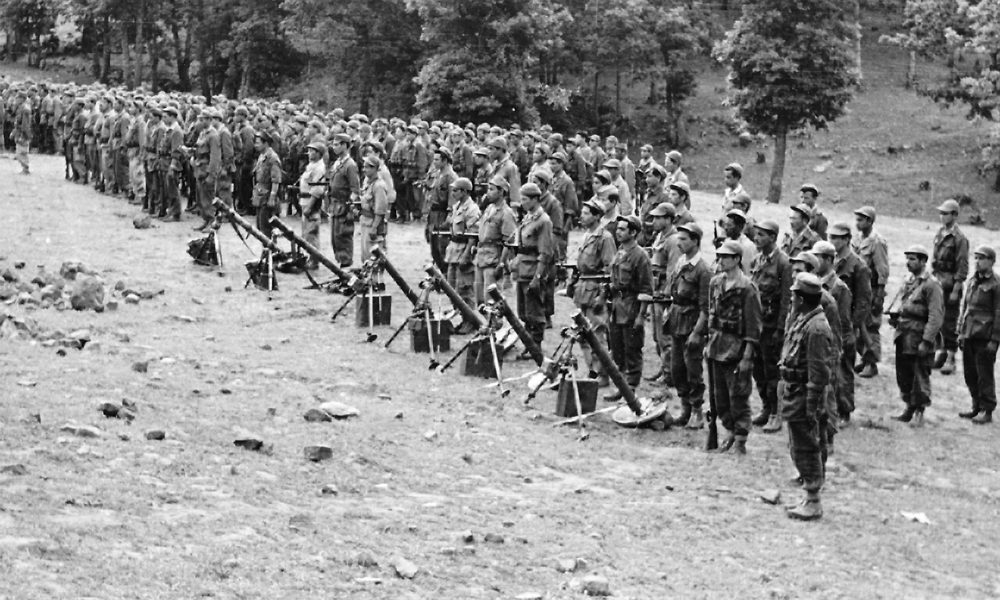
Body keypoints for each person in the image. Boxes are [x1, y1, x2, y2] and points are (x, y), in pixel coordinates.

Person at [779, 272, 835, 521]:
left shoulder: (816, 328)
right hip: (795, 392)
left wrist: (811, 407)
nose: (791, 299)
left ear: (801, 299)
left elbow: (818, 372)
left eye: (794, 295)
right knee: (799, 445)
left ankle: (813, 499)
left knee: (808, 446)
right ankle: (809, 495)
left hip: (804, 396)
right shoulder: (805, 319)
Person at [705, 240, 762, 453]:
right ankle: (728, 429)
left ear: (737, 259)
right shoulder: (716, 283)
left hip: (736, 348)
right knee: (719, 397)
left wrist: (748, 355)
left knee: (738, 395)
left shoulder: (747, 288)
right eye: (719, 256)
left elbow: (753, 324)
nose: (721, 260)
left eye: (726, 257)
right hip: (716, 346)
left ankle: (740, 438)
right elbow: (712, 313)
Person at [887, 245, 944, 427]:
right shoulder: (909, 281)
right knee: (904, 374)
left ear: (923, 261)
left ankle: (920, 411)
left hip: (919, 336)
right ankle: (909, 407)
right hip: (904, 335)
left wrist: (926, 341)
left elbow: (936, 316)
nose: (908, 263)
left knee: (919, 375)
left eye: (912, 259)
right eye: (907, 258)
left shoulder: (931, 284)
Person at [604, 215, 654, 401]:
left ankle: (630, 387)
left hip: (632, 308)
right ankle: (622, 385)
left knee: (632, 348)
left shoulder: (640, 256)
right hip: (617, 306)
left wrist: (641, 316)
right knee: (617, 348)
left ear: (633, 232)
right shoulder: (620, 252)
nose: (618, 232)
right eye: (618, 228)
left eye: (623, 229)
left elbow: (646, 288)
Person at [667, 222, 712, 428]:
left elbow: (706, 307)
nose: (680, 242)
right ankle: (685, 407)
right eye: (679, 238)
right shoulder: (681, 262)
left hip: (693, 322)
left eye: (684, 239)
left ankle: (697, 411)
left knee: (693, 368)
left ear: (695, 241)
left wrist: (697, 332)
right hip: (677, 320)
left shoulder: (703, 269)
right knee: (676, 368)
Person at [749, 220, 792, 433]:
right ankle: (766, 407)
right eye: (756, 234)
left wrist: (780, 329)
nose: (756, 238)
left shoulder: (783, 263)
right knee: (758, 369)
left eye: (761, 235)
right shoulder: (758, 260)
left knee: (772, 371)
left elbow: (786, 299)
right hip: (756, 325)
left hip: (772, 326)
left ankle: (776, 413)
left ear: (773, 238)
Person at [503, 183, 554, 354]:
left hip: (533, 271)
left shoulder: (543, 221)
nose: (522, 202)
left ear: (535, 199)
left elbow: (545, 252)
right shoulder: (528, 217)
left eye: (525, 199)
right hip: (522, 269)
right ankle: (528, 343)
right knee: (524, 312)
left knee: (535, 312)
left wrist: (538, 277)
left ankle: (535, 346)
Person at [570, 199, 617, 387]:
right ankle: (592, 371)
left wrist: (603, 295)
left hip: (595, 289)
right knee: (581, 334)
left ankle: (603, 374)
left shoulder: (604, 238)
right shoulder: (587, 235)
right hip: (583, 287)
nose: (582, 216)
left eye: (587, 213)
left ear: (598, 216)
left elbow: (609, 270)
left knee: (597, 335)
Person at [828, 222, 871, 423]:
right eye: (831, 237)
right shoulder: (830, 261)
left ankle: (844, 411)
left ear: (847, 239)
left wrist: (854, 325)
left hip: (846, 325)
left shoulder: (858, 265)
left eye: (837, 238)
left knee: (844, 370)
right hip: (829, 321)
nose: (833, 241)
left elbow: (863, 301)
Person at [957, 245, 1000, 424]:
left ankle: (987, 409)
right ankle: (976, 405)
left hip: (985, 336)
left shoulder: (996, 284)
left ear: (991, 261)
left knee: (984, 374)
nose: (977, 261)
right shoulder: (973, 280)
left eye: (982, 258)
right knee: (970, 373)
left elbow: (999, 313)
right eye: (975, 258)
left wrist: (995, 339)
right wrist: (960, 331)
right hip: (969, 333)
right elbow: (965, 307)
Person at [930, 198, 969, 374]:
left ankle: (951, 359)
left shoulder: (960, 238)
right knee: (936, 319)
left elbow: (962, 266)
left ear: (954, 215)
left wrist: (956, 289)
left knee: (949, 322)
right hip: (938, 281)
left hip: (951, 284)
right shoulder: (940, 233)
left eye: (945, 213)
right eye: (941, 213)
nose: (942, 216)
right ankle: (942, 353)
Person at [645, 202, 680, 388]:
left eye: (659, 217)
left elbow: (673, 271)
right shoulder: (660, 236)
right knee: (657, 336)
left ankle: (669, 375)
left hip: (663, 295)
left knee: (665, 338)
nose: (655, 221)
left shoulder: (674, 241)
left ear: (668, 219)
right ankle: (663, 368)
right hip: (655, 292)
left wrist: (667, 297)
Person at [853, 206, 890, 378]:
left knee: (870, 326)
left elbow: (882, 269)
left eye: (861, 220)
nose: (857, 223)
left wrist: (879, 294)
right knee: (858, 323)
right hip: (859, 288)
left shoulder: (877, 242)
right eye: (857, 219)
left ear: (869, 221)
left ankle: (872, 362)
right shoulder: (858, 239)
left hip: (872, 289)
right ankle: (864, 357)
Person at [445, 177, 481, 333]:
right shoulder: (457, 206)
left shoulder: (472, 209)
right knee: (452, 287)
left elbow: (473, 236)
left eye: (456, 190)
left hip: (464, 250)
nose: (452, 193)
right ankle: (462, 317)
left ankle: (471, 321)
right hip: (453, 250)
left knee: (465, 289)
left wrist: (467, 255)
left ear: (465, 192)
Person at [474, 175, 516, 305]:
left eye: (491, 189)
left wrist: (502, 264)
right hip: (481, 256)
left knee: (491, 298)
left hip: (494, 258)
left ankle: (494, 324)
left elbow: (508, 242)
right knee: (479, 298)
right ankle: (486, 323)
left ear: (501, 192)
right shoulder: (489, 209)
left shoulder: (506, 213)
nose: (488, 193)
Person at [327, 132, 360, 266]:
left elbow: (355, 189)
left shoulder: (350, 165)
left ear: (345, 146)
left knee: (343, 236)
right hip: (335, 204)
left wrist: (349, 209)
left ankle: (346, 262)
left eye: (336, 145)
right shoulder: (338, 163)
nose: (333, 147)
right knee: (335, 237)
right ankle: (340, 261)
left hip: (344, 206)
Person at [426, 147, 457, 273]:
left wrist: (450, 214)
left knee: (442, 247)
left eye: (437, 160)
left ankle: (445, 276)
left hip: (443, 215)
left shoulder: (451, 176)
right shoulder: (438, 174)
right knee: (434, 248)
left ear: (445, 161)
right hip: (434, 214)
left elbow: (453, 197)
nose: (434, 162)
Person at [298, 141, 327, 262]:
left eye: (312, 151)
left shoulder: (319, 168)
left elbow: (317, 190)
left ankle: (314, 260)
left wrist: (310, 206)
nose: (309, 153)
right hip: (305, 201)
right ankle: (309, 258)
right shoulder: (312, 166)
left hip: (312, 203)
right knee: (306, 233)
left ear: (318, 153)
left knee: (311, 233)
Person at [251, 131, 282, 237]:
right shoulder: (262, 156)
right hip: (260, 195)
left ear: (266, 143)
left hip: (267, 195)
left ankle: (270, 251)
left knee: (266, 227)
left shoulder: (272, 158)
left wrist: (272, 197)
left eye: (258, 143)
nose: (256, 145)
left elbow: (276, 180)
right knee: (260, 226)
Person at [358, 155, 389, 262]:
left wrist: (374, 227)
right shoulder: (368, 183)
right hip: (365, 222)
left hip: (373, 223)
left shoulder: (379, 186)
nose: (364, 170)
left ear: (375, 168)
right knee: (365, 256)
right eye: (364, 167)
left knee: (374, 257)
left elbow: (380, 210)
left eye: (367, 167)